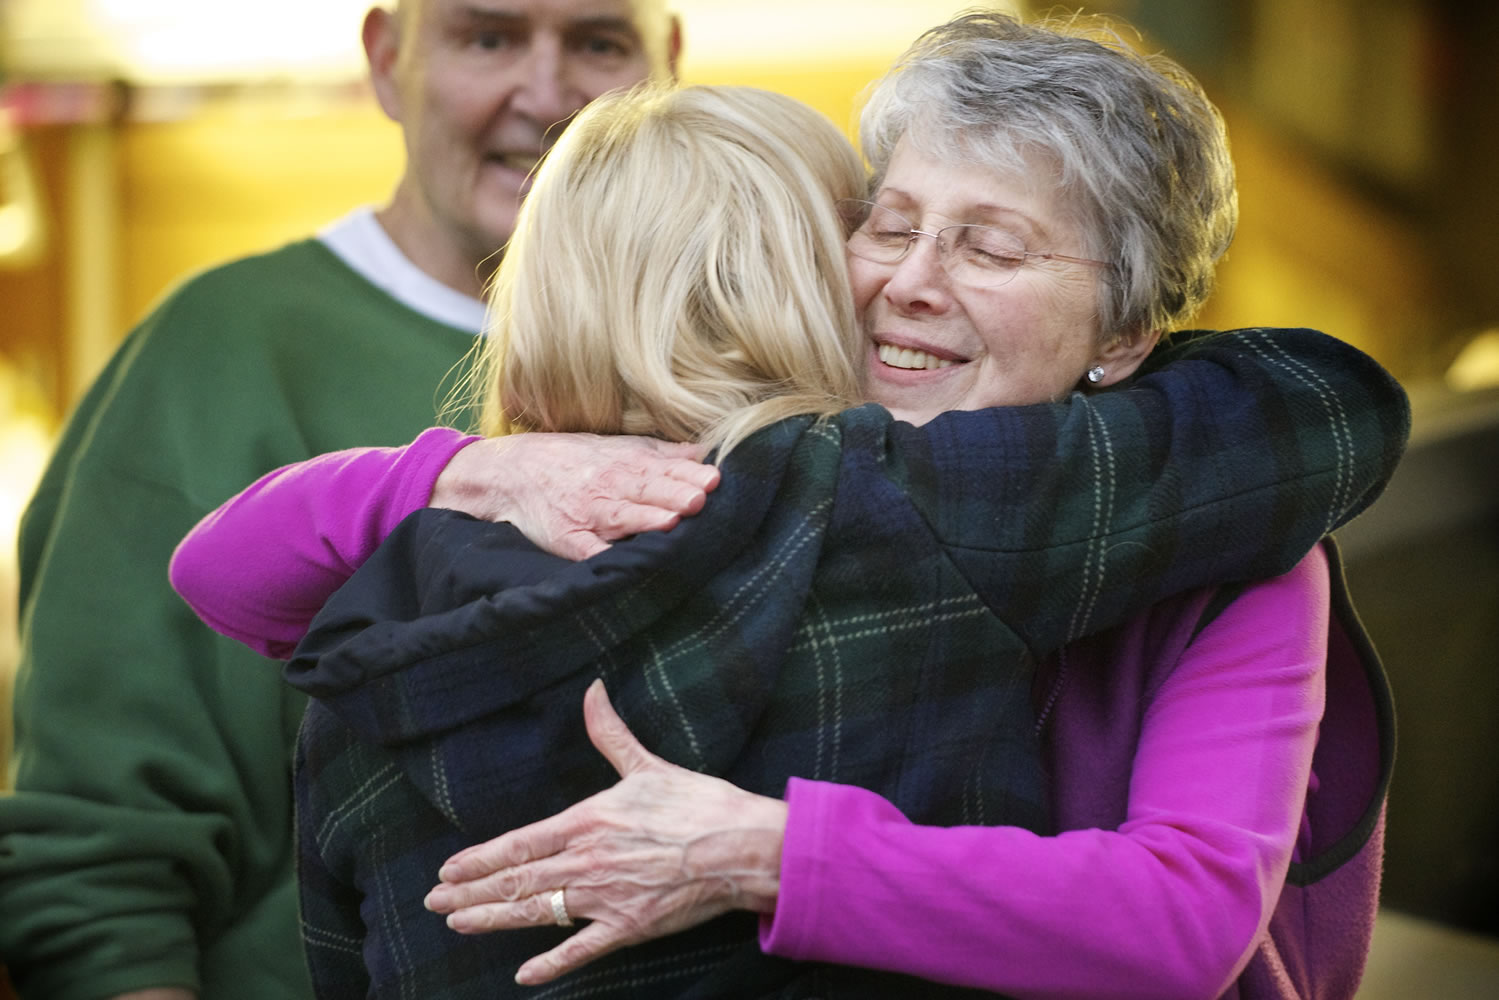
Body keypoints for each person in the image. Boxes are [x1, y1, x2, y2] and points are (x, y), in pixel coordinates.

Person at [172, 14, 1405, 998]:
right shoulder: (719, 501)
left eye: (990, 248)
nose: (910, 284)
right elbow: (228, 573)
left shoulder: (1236, 537)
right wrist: (464, 469)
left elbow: (1183, 921)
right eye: (888, 224)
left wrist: (761, 852)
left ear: (1126, 330)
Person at [0, 3, 700, 999]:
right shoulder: (219, 354)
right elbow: (101, 871)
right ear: (386, 59)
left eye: (597, 42)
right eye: (487, 37)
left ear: (664, 68)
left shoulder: (741, 369)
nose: (546, 96)